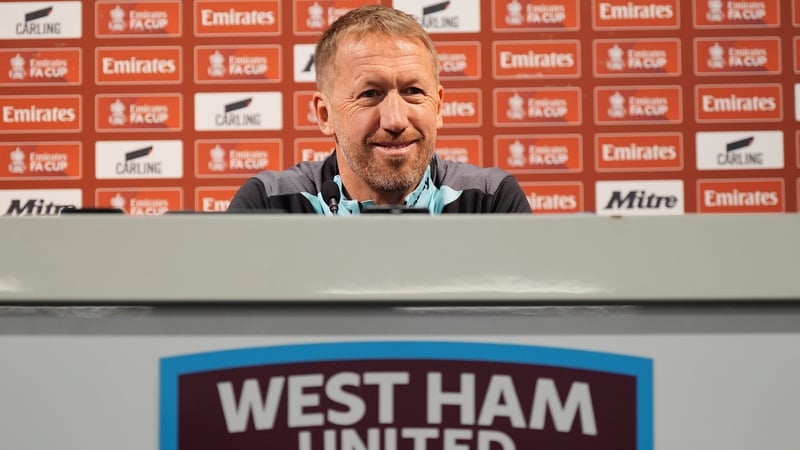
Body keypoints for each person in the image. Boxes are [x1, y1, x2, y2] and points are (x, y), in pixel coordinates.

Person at [227, 4, 531, 214]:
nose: (395, 120)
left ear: (438, 106)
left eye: (413, 91)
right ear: (325, 114)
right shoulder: (268, 203)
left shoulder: (490, 201)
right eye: (370, 94)